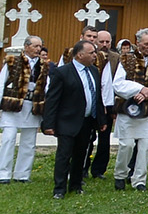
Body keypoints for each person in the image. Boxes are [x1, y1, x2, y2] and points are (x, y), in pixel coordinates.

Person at [42, 39, 106, 199]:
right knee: (64, 155)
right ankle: (59, 189)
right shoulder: (62, 72)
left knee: (81, 154)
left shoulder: (93, 71)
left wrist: (101, 120)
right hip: (67, 121)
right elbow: (52, 99)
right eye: (91, 53)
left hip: (86, 121)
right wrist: (48, 123)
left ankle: (76, 185)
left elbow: (97, 97)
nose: (95, 55)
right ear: (80, 54)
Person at [112, 28, 148, 192]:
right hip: (128, 110)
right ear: (138, 43)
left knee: (145, 146)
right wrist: (139, 89)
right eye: (146, 44)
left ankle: (139, 180)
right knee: (127, 145)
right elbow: (118, 84)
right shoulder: (126, 59)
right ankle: (121, 175)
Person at [0, 35, 48, 184]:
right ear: (26, 46)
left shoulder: (44, 65)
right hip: (12, 104)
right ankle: (3, 174)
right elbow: (1, 83)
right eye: (35, 46)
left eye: (40, 46)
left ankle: (22, 174)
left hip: (32, 105)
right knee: (8, 138)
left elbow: (47, 86)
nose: (38, 49)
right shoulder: (12, 61)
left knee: (29, 141)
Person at [87, 29, 117, 179]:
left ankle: (99, 170)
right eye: (101, 42)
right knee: (88, 138)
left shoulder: (116, 58)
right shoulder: (90, 56)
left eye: (107, 42)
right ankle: (83, 167)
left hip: (109, 103)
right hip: (90, 102)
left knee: (104, 139)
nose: (104, 45)